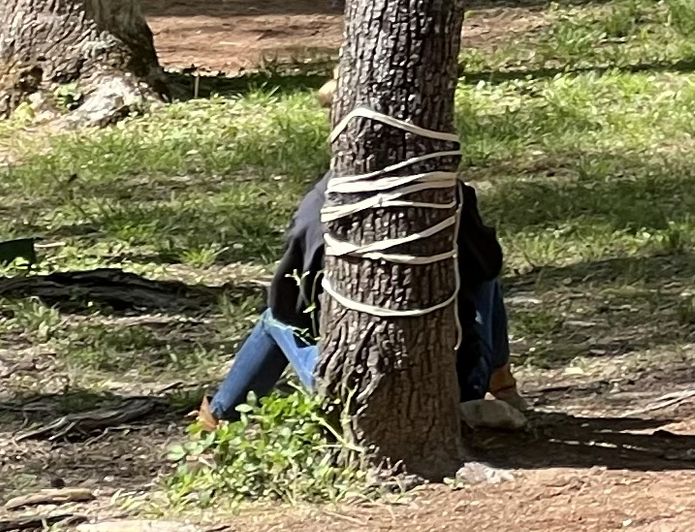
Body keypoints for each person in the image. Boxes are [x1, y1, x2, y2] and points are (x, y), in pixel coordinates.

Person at [200, 162, 517, 428]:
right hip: (457, 384)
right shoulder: (445, 193)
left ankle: (218, 420)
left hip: (354, 392)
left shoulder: (320, 206)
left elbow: (291, 307)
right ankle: (502, 385)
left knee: (274, 319)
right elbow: (489, 263)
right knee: (484, 272)